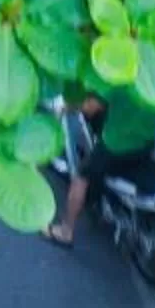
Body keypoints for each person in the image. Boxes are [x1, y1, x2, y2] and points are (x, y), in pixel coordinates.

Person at [46, 93, 106, 247]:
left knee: (81, 176)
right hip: (144, 146)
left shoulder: (110, 86)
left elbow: (91, 106)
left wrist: (67, 106)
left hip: (116, 145)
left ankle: (66, 231)